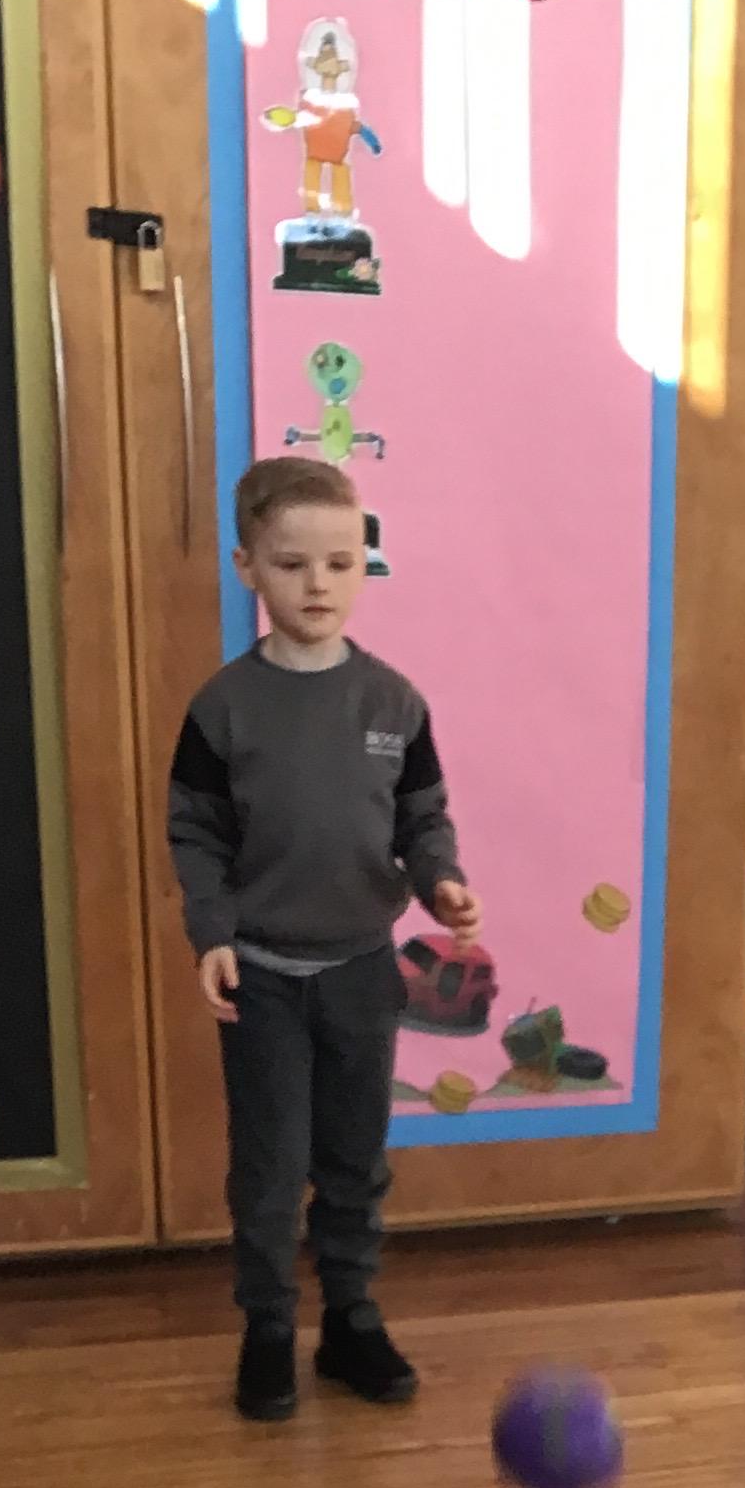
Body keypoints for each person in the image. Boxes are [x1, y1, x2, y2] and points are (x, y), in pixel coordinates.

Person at [168, 456, 480, 1422]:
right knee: (269, 1169)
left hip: (361, 973)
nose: (318, 585)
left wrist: (440, 880)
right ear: (247, 567)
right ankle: (267, 1327)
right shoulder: (223, 708)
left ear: (363, 567)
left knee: (354, 1159)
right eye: (293, 564)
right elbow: (195, 835)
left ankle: (351, 1319)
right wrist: (212, 931)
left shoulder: (394, 703)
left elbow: (422, 817)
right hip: (261, 978)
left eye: (341, 564)